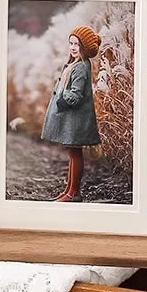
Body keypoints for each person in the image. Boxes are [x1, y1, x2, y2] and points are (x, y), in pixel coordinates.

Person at [40, 26, 102, 202]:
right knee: (72, 154)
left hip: (77, 120)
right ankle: (69, 190)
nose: (73, 47)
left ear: (85, 47)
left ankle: (74, 193)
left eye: (78, 44)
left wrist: (62, 97)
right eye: (71, 43)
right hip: (72, 120)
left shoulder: (81, 67)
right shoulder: (74, 64)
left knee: (75, 154)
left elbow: (75, 95)